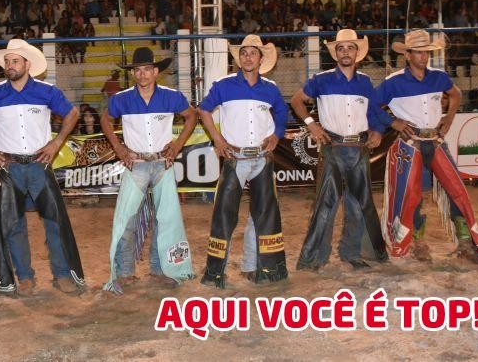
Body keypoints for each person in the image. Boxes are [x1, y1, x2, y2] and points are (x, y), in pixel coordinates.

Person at [0, 39, 85, 295]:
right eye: (7, 61)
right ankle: (24, 276)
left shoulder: (47, 92)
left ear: (28, 64)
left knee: (54, 221)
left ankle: (61, 274)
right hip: (8, 166)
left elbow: (73, 114)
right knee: (13, 225)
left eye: (15, 61)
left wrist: (56, 143)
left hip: (39, 164)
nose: (10, 66)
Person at [376, 29, 478, 266]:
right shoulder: (394, 82)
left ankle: (464, 242)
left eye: (426, 52)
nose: (423, 57)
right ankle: (418, 243)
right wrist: (393, 122)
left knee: (456, 189)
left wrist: (449, 117)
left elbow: (456, 94)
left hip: (436, 140)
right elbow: (371, 107)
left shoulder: (438, 77)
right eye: (418, 52)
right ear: (408, 55)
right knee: (414, 194)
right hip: (411, 144)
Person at [101, 47, 197, 294]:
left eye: (147, 69)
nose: (142, 74)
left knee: (166, 219)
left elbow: (191, 117)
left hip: (162, 163)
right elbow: (105, 120)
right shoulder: (121, 99)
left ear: (156, 72)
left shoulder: (171, 96)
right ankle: (124, 272)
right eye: (137, 70)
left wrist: (176, 145)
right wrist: (118, 147)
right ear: (133, 73)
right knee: (127, 219)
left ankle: (160, 269)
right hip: (137, 165)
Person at [291, 29, 389, 271]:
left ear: (358, 53)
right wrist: (311, 124)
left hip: (359, 148)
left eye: (350, 48)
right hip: (332, 147)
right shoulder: (321, 79)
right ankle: (314, 258)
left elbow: (375, 112)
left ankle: (351, 253)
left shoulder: (365, 82)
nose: (346, 52)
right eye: (341, 48)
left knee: (358, 205)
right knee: (325, 205)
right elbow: (296, 100)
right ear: (335, 53)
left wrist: (377, 131)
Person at [198, 35, 289, 287]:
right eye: (244, 52)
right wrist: (217, 140)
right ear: (239, 58)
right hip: (234, 157)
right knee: (224, 215)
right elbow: (203, 110)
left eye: (253, 53)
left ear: (261, 59)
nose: (248, 57)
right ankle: (215, 273)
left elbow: (282, 113)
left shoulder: (270, 88)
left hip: (261, 158)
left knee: (262, 215)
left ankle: (255, 266)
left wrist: (276, 135)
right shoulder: (224, 85)